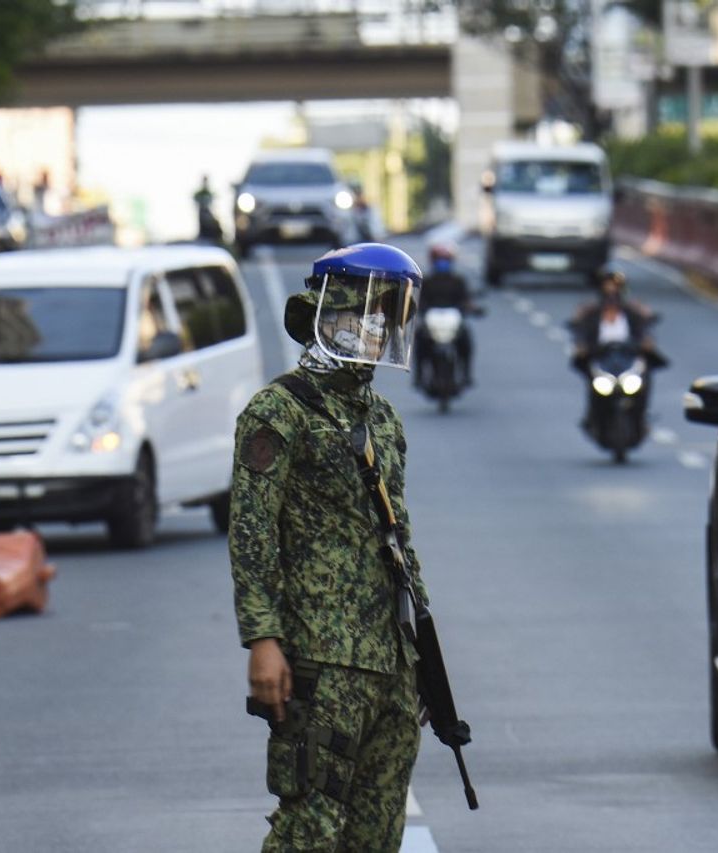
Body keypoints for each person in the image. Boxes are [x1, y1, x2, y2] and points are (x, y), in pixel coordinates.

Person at [230, 243, 429, 853]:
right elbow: (251, 534)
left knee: (377, 836)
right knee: (309, 831)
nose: (374, 328)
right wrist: (263, 640)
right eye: (362, 313)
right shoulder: (278, 412)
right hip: (320, 658)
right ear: (323, 313)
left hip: (388, 665)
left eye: (386, 315)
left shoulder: (384, 420)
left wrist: (421, 650)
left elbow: (398, 538)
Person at [570, 266, 662, 428]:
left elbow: (645, 329)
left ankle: (642, 415)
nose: (611, 292)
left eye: (614, 287)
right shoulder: (591, 313)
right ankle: (592, 415)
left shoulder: (633, 312)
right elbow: (580, 331)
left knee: (645, 375)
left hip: (628, 355)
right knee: (592, 380)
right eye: (607, 287)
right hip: (601, 356)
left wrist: (646, 342)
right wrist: (581, 346)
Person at [413, 243, 476, 387]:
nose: (442, 263)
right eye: (439, 260)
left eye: (445, 260)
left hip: (452, 320)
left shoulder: (458, 281)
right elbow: (419, 300)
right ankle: (419, 374)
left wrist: (471, 308)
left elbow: (466, 299)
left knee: (465, 338)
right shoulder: (426, 281)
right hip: (432, 320)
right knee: (420, 339)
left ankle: (466, 372)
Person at [193, 175, 223, 242]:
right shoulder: (200, 193)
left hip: (208, 212)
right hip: (202, 212)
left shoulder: (209, 192)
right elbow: (195, 198)